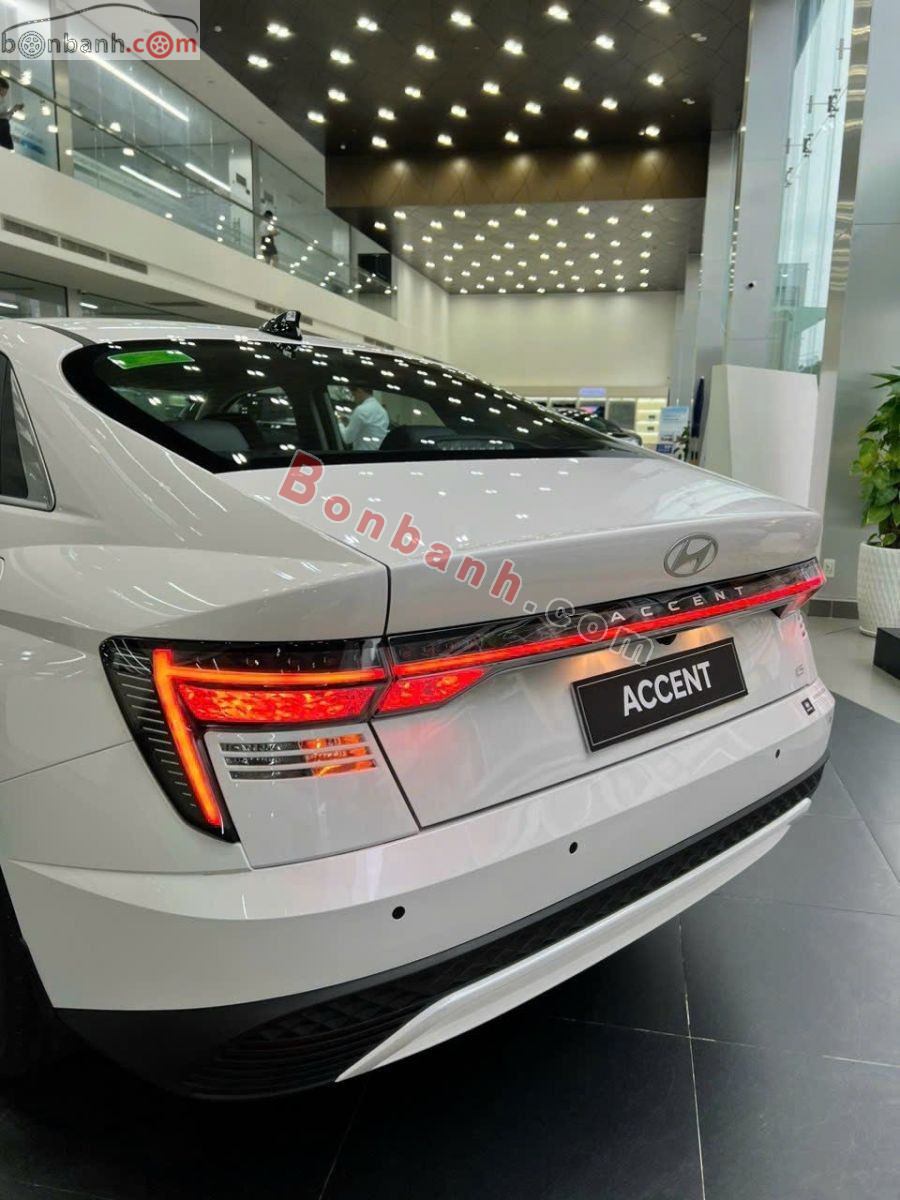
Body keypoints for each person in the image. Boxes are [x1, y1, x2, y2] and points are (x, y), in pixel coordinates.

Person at [340, 385, 389, 451]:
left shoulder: (360, 410)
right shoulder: (383, 412)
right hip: (378, 454)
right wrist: (348, 423)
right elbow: (369, 429)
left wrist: (339, 423)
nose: (354, 399)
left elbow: (347, 439)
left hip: (362, 454)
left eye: (353, 395)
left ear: (359, 391)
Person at [0, 81, 23, 152]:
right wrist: (11, 111)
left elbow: (4, 115)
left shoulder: (2, 100)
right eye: (5, 91)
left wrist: (12, 111)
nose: (5, 93)